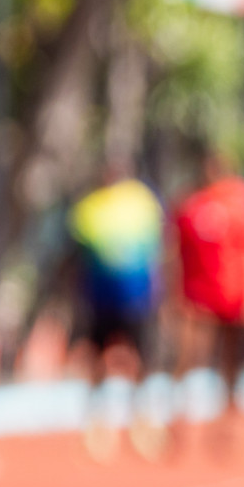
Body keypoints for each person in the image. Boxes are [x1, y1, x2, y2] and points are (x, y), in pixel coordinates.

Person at [169, 148, 244, 458]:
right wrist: (176, 295)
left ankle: (225, 427)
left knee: (232, 363)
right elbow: (176, 254)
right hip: (199, 296)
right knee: (191, 357)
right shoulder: (190, 204)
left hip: (236, 294)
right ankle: (180, 424)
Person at [67, 161, 164, 460]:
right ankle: (97, 425)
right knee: (97, 360)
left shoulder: (142, 202)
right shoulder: (88, 208)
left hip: (136, 300)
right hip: (100, 298)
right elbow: (76, 256)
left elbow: (157, 250)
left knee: (141, 361)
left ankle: (143, 423)